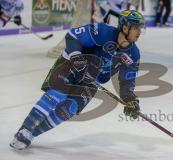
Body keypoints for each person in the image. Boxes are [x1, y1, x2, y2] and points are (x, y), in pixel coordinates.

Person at [10, 10, 145, 150]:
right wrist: (77, 58)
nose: (139, 31)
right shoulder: (104, 32)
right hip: (73, 64)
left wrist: (130, 99)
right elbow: (73, 36)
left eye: (140, 28)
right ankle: (24, 130)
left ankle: (31, 134)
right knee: (56, 95)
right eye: (136, 27)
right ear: (124, 27)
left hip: (92, 79)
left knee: (69, 109)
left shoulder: (134, 54)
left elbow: (127, 80)